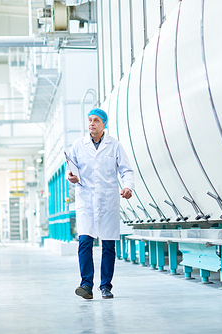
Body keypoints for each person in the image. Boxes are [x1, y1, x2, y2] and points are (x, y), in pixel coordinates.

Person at [67, 108, 134, 299]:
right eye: (89, 120)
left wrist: (128, 187)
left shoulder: (115, 146)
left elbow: (126, 170)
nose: (91, 123)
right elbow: (70, 169)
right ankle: (86, 285)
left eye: (96, 120)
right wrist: (71, 177)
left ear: (104, 124)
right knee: (85, 242)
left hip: (107, 200)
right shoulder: (79, 145)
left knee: (108, 245)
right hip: (86, 200)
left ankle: (106, 286)